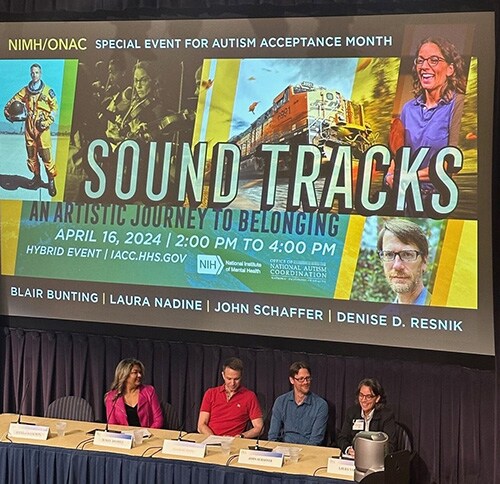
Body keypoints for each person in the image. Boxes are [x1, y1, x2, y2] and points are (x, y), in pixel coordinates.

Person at [387, 37, 467, 215]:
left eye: (434, 60)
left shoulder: (460, 104)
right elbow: (399, 154)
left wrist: (409, 177)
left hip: (438, 202)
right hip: (406, 199)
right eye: (420, 61)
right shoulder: (408, 109)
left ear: (450, 69)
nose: (424, 66)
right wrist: (390, 175)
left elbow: (452, 162)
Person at [4, 63, 58, 196]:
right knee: (31, 156)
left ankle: (51, 181)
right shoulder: (26, 91)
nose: (34, 75)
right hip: (29, 126)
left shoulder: (48, 91)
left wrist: (47, 122)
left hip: (42, 127)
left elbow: (54, 108)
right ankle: (37, 179)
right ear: (30, 74)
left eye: (37, 72)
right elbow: (13, 100)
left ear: (41, 74)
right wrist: (7, 112)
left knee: (46, 156)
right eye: (32, 73)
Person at [197, 357, 263, 438]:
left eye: (236, 379)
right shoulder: (211, 393)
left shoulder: (249, 396)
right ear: (223, 375)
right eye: (229, 379)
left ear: (241, 376)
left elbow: (259, 427)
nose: (232, 383)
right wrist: (214, 439)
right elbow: (201, 425)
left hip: (235, 442)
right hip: (210, 439)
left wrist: (241, 436)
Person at [268, 361, 328, 445]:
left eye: (308, 378)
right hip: (284, 449)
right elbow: (273, 436)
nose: (306, 382)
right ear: (292, 380)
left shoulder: (320, 405)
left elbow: (316, 440)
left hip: (308, 451)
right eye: (301, 379)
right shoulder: (281, 402)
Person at [377, 218, 431, 305]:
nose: (397, 266)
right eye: (389, 254)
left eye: (407, 254)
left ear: (424, 261)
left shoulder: (444, 312)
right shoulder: (382, 315)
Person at [337, 378, 396, 457]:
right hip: (353, 458)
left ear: (377, 398)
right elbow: (342, 438)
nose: (363, 400)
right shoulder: (352, 412)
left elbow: (390, 446)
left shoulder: (386, 416)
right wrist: (348, 449)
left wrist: (368, 454)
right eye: (361, 395)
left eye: (368, 397)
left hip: (376, 459)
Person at [104, 358, 163, 428]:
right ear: (124, 375)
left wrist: (148, 434)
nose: (139, 375)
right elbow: (112, 425)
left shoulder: (149, 391)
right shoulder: (111, 397)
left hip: (148, 436)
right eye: (135, 372)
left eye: (140, 372)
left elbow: (158, 420)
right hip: (123, 437)